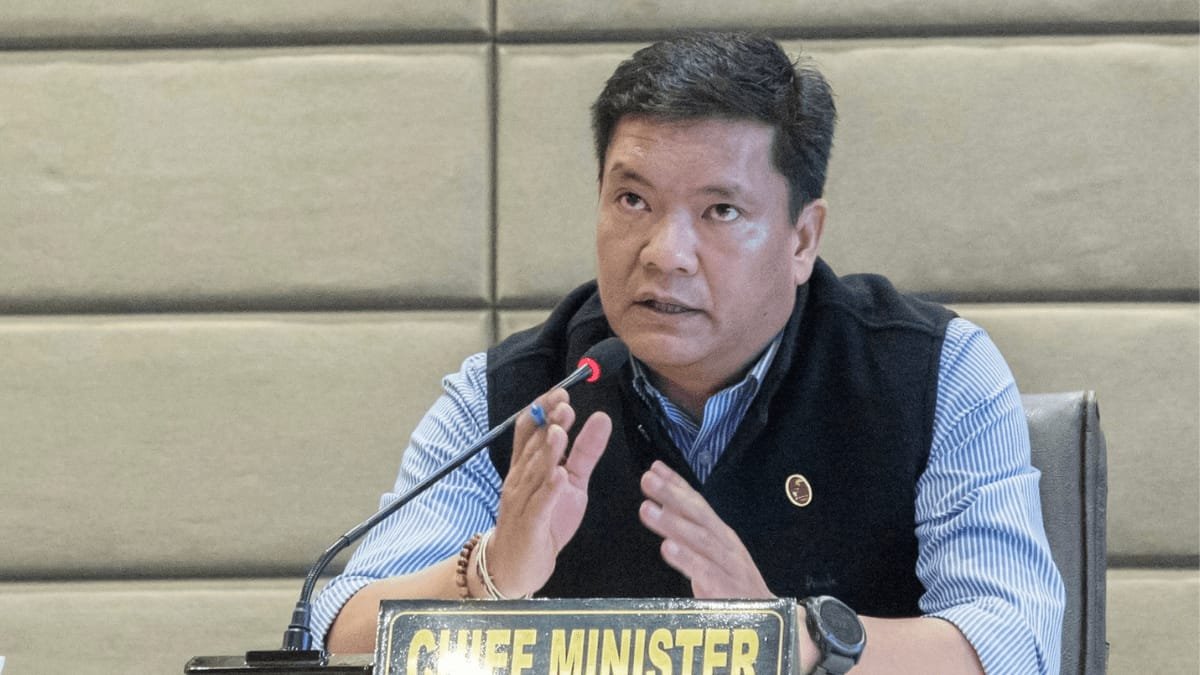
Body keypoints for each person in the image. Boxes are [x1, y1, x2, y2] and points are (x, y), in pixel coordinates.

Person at [312, 32, 1065, 674]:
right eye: (633, 200)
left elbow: (1014, 642)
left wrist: (787, 637)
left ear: (802, 238)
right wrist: (489, 574)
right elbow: (332, 629)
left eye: (720, 211)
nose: (664, 253)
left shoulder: (932, 371)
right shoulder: (518, 394)